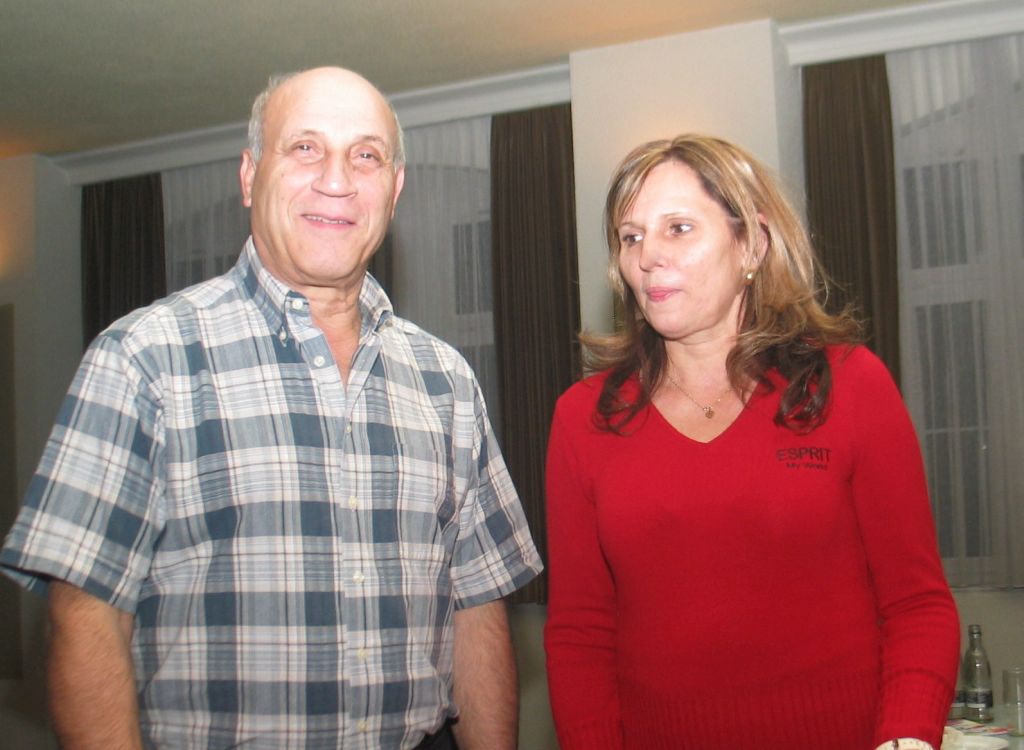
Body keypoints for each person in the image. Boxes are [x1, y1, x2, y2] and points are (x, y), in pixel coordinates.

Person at [1, 67, 542, 750]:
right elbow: (84, 616)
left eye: (366, 155)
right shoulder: (143, 358)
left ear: (395, 188)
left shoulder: (447, 380)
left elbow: (477, 607)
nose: (337, 180)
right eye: (305, 148)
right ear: (250, 175)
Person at [543, 134, 959, 750]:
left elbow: (917, 603)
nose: (648, 257)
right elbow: (580, 635)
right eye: (631, 237)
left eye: (679, 228)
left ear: (753, 245)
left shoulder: (850, 384)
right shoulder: (583, 419)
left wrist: (908, 735)